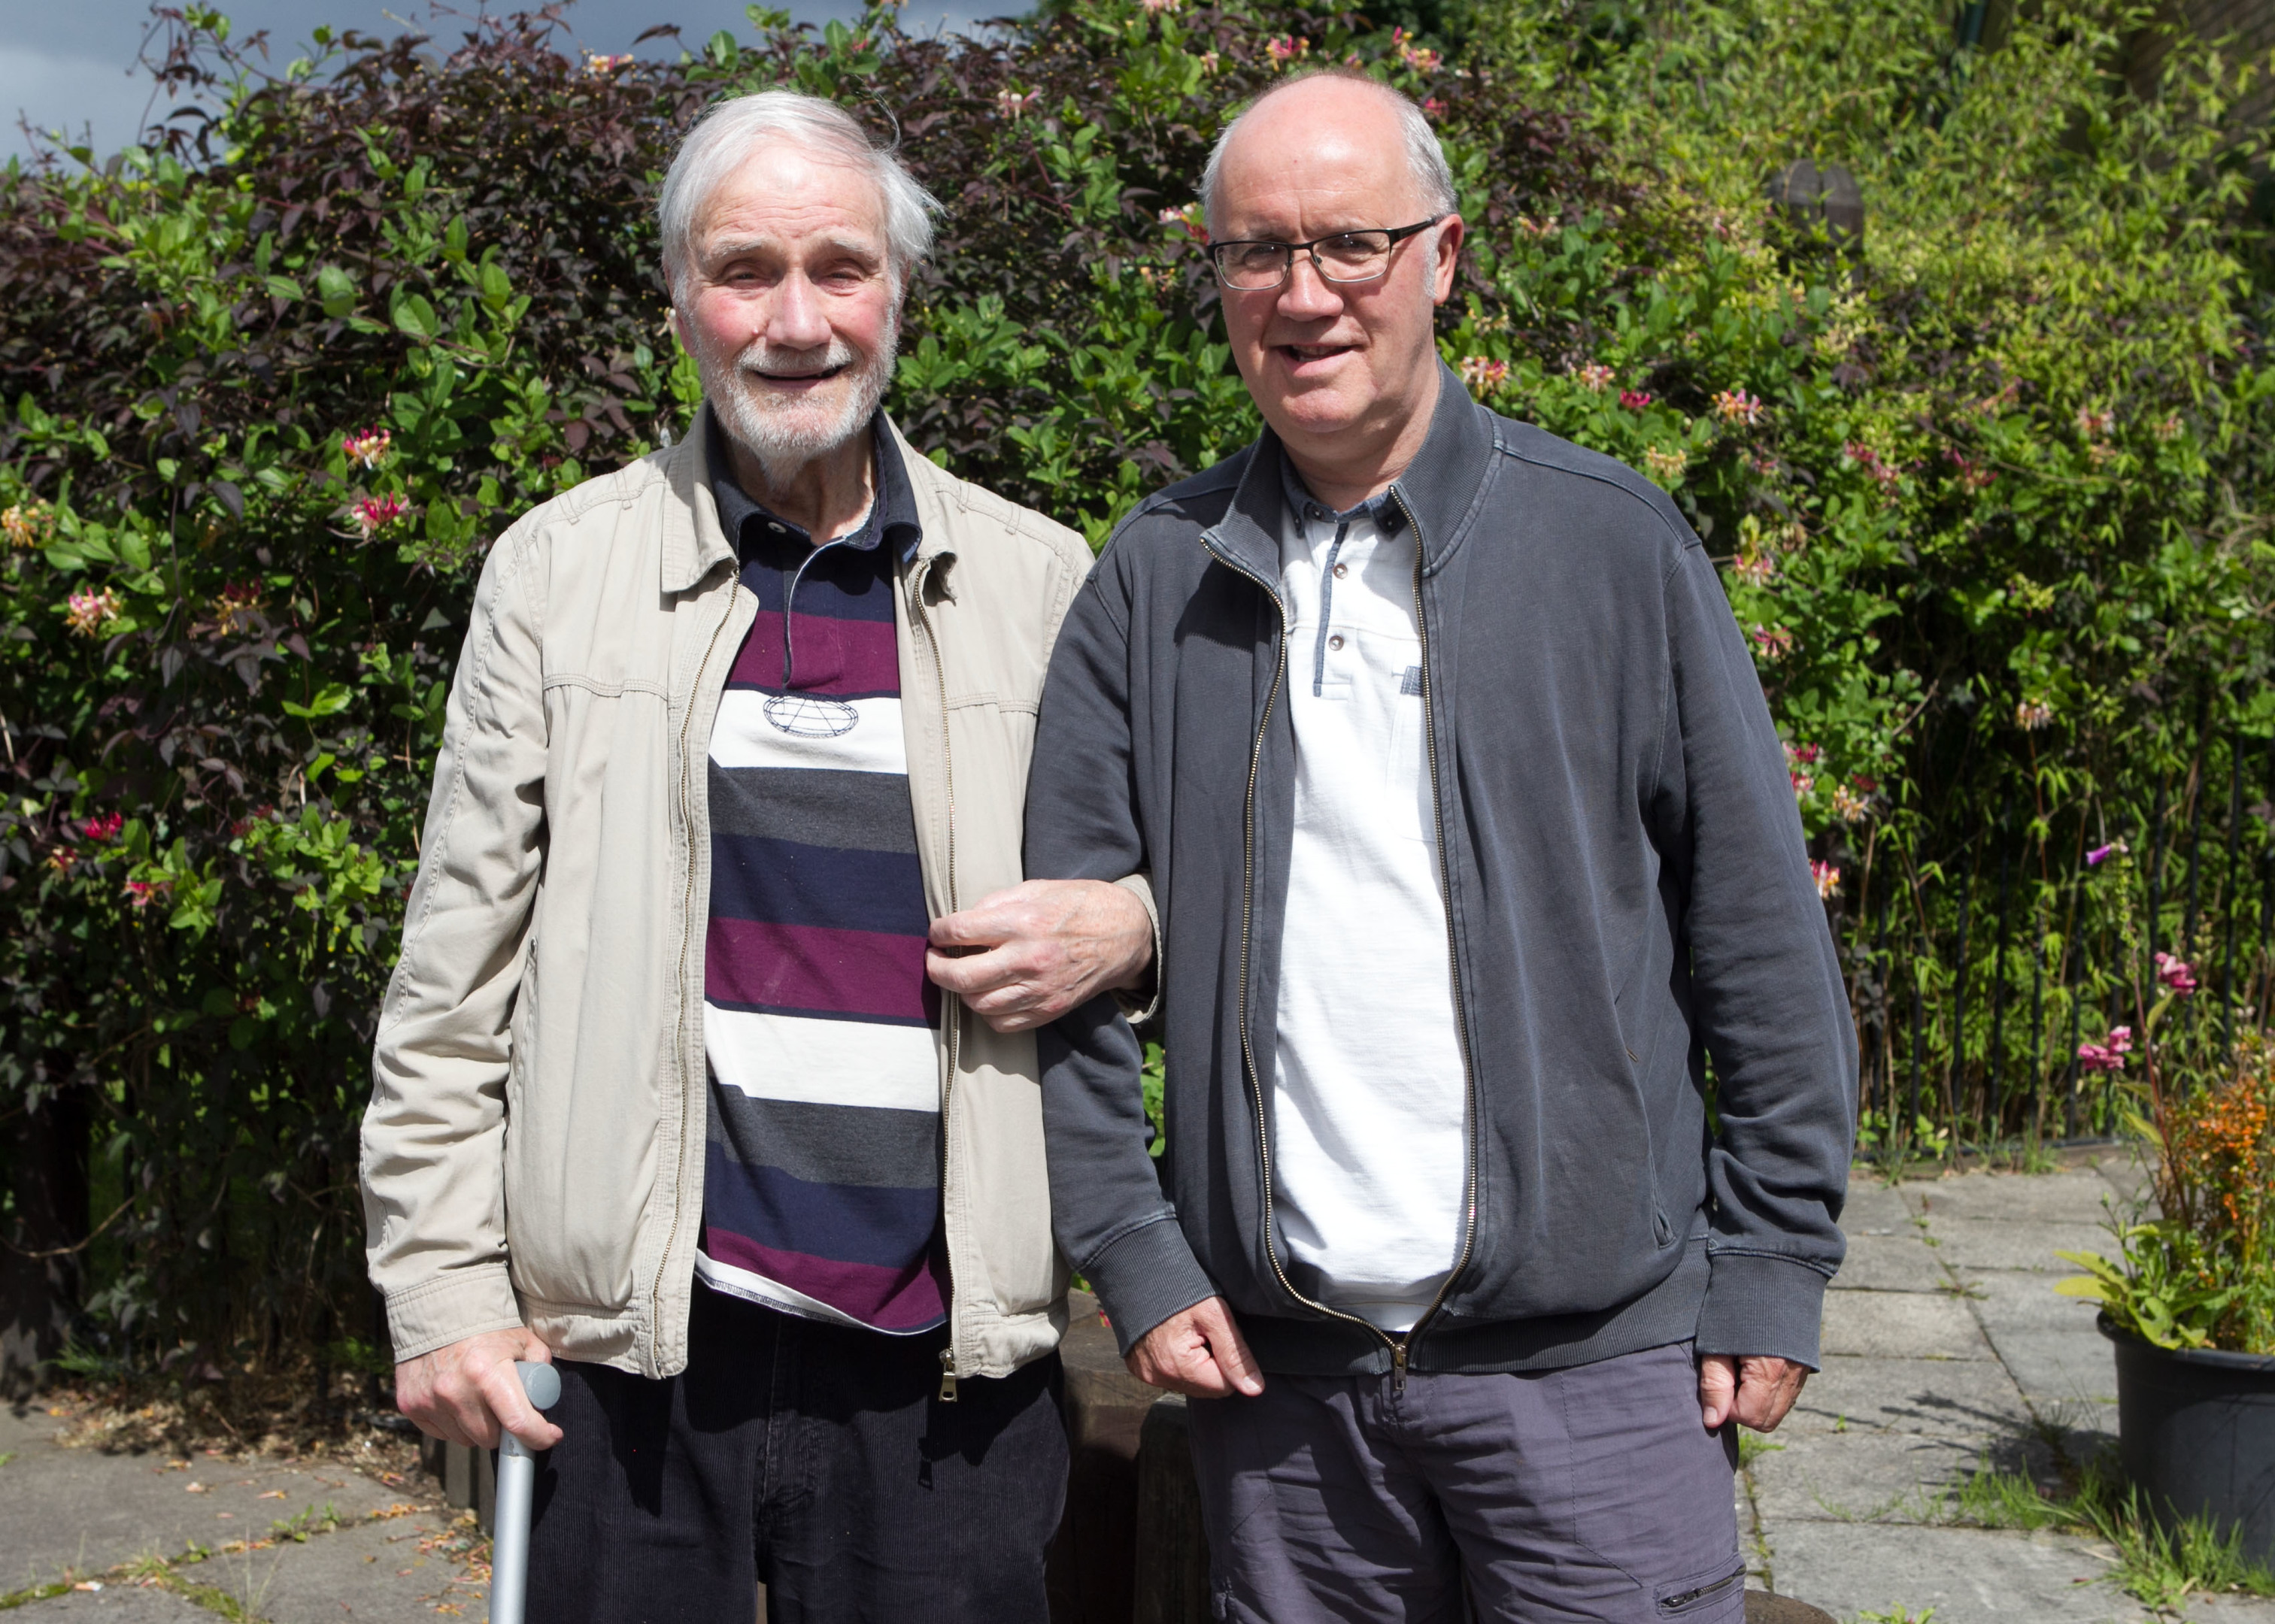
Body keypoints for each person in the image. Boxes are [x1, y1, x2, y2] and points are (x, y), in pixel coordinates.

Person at [1027, 70, 1855, 1622]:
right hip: (1286, 1389)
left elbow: (1753, 932)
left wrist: (1770, 1258)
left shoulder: (1610, 548)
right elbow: (1055, 955)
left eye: (1350, 242)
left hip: (1595, 1373)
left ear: (1444, 257)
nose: (1300, 292)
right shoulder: (1155, 581)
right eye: (1253, 251)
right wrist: (1132, 1245)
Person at [360, 89, 1154, 1623]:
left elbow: (1170, 890)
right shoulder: (557, 573)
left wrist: (1133, 926)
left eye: (839, 267)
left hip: (942, 1370)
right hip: (633, 1369)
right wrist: (443, 1295)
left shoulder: (1043, 581)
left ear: (900, 294)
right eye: (745, 270)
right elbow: (453, 977)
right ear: (679, 303)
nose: (796, 319)